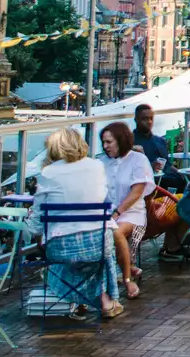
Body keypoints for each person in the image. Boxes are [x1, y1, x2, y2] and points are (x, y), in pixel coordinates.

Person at [29, 128, 123, 315]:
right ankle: (106, 299)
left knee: (63, 258)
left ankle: (75, 299)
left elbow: (37, 219)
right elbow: (103, 199)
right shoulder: (96, 166)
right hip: (97, 245)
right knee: (103, 252)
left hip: (61, 248)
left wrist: (34, 232)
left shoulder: (48, 173)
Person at [100, 121, 155, 299]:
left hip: (132, 213)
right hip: (105, 212)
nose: (105, 146)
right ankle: (123, 266)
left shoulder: (138, 160)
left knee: (115, 231)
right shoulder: (101, 162)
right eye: (103, 142)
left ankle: (126, 278)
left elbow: (137, 191)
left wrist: (116, 213)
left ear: (120, 140)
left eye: (109, 142)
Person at [131, 104, 170, 180]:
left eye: (151, 118)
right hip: (145, 181)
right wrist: (150, 166)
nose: (149, 122)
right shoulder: (129, 142)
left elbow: (168, 165)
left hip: (165, 179)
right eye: (145, 119)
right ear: (136, 120)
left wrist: (180, 173)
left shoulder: (160, 141)